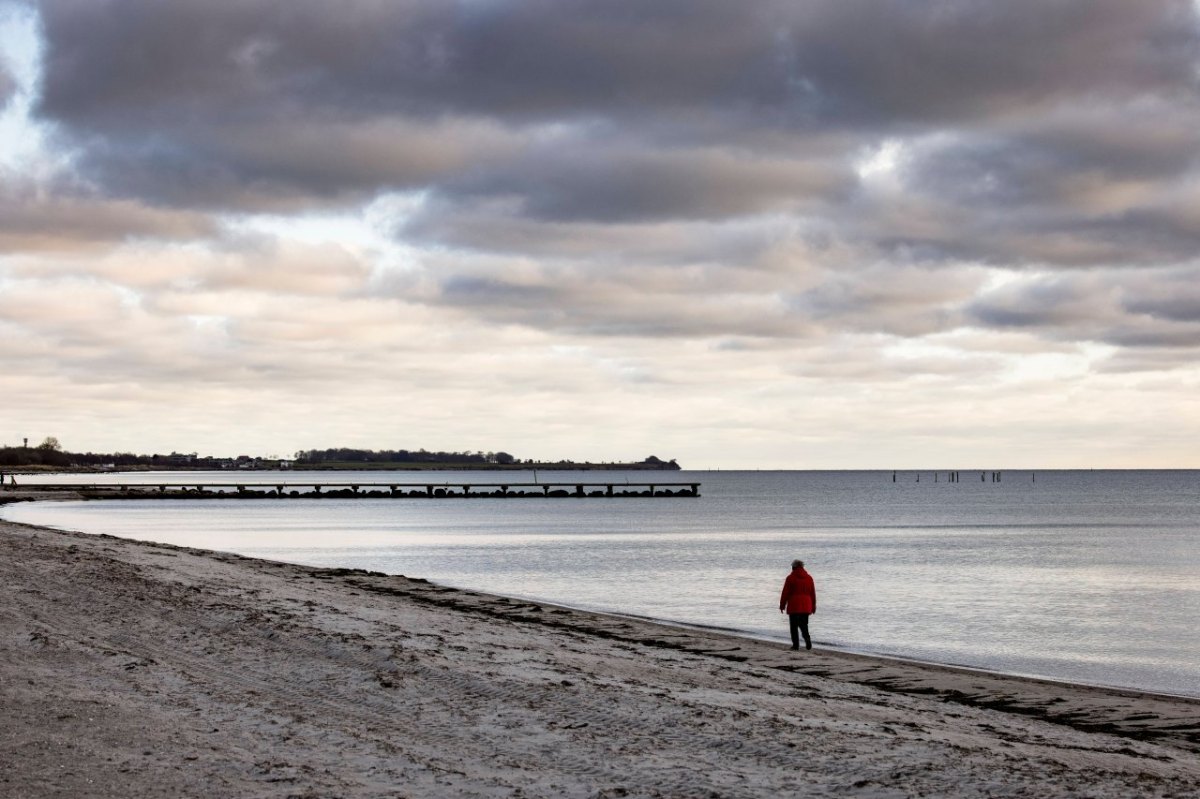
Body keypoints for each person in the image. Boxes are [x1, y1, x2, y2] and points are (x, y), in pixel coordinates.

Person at [779, 559, 816, 650]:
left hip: (794, 605)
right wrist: (813, 606)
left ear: (793, 567)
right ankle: (807, 638)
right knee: (804, 625)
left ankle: (796, 645)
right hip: (806, 605)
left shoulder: (790, 578)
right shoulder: (809, 578)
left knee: (794, 626)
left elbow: (785, 593)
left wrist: (782, 605)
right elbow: (813, 593)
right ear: (802, 567)